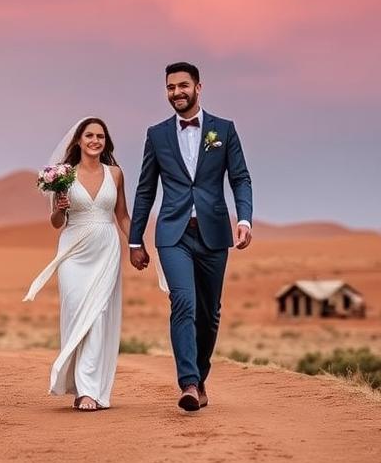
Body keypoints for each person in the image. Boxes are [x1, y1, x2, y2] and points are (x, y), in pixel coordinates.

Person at [129, 62, 253, 411]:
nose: (176, 93)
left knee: (210, 312)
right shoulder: (157, 134)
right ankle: (188, 383)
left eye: (183, 86)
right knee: (183, 302)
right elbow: (144, 190)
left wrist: (244, 218)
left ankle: (200, 376)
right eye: (170, 87)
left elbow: (240, 178)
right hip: (173, 233)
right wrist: (135, 240)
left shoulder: (224, 130)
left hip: (214, 232)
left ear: (199, 87)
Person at [24, 117, 131, 411]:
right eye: (89, 136)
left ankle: (89, 390)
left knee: (98, 317)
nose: (95, 141)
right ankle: (77, 384)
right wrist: (59, 207)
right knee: (76, 316)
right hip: (73, 251)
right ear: (79, 141)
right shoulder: (63, 175)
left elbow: (122, 215)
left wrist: (136, 244)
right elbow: (57, 223)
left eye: (100, 136)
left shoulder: (116, 174)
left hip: (106, 249)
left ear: (106, 142)